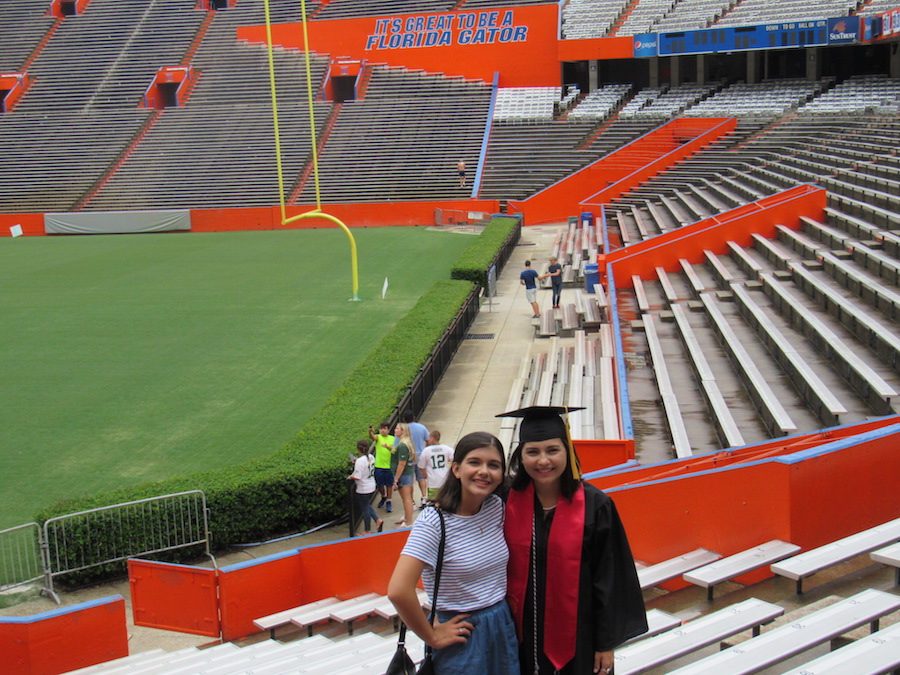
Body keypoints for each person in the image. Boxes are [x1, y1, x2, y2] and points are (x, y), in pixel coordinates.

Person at [499, 406, 647, 675]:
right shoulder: (506, 501)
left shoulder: (596, 505)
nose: (543, 460)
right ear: (520, 456)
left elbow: (610, 578)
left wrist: (605, 643)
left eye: (552, 450)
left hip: (580, 638)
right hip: (519, 635)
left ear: (568, 450)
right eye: (533, 452)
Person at [388, 432, 520, 674]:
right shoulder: (434, 521)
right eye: (474, 462)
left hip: (501, 625)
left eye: (494, 465)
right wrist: (432, 636)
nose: (484, 471)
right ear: (457, 469)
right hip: (462, 632)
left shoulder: (496, 507)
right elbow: (398, 590)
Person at [348, 439, 383, 534]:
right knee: (367, 505)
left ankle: (367, 530)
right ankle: (377, 520)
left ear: (358, 449)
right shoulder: (371, 457)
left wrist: (351, 476)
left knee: (365, 509)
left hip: (363, 488)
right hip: (371, 485)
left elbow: (357, 477)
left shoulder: (360, 461)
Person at [401, 411, 431, 509]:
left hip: (408, 456)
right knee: (421, 478)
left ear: (404, 420)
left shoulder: (403, 430)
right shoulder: (422, 427)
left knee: (409, 480)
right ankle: (423, 498)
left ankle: (412, 502)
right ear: (413, 417)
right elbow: (428, 440)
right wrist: (425, 449)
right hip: (420, 456)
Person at [392, 422, 417, 527]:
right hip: (408, 473)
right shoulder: (407, 443)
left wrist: (396, 479)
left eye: (397, 428)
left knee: (406, 498)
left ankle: (409, 521)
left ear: (403, 431)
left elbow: (402, 463)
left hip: (404, 475)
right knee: (406, 498)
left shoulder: (402, 445)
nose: (395, 430)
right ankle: (407, 518)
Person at [417, 429, 455, 500]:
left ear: (432, 438)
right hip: (445, 478)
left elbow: (421, 466)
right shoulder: (446, 448)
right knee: (445, 500)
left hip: (433, 480)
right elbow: (455, 459)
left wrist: (425, 475)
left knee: (433, 501)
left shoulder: (426, 450)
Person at [370, 422, 395, 513]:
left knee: (389, 484)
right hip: (378, 465)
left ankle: (389, 500)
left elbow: (394, 450)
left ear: (388, 430)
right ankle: (383, 496)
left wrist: (387, 446)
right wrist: (370, 431)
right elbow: (372, 437)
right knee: (379, 484)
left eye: (385, 428)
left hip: (389, 466)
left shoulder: (393, 439)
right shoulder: (378, 437)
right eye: (381, 428)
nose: (382, 430)